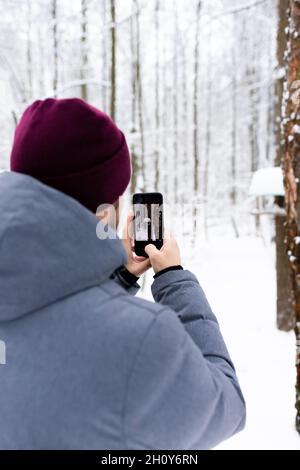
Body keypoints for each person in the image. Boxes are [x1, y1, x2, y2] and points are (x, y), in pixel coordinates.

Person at [0, 98, 245, 450]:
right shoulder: (142, 338)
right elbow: (226, 406)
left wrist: (118, 282)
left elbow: (53, 328)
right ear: (105, 211)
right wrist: (174, 278)